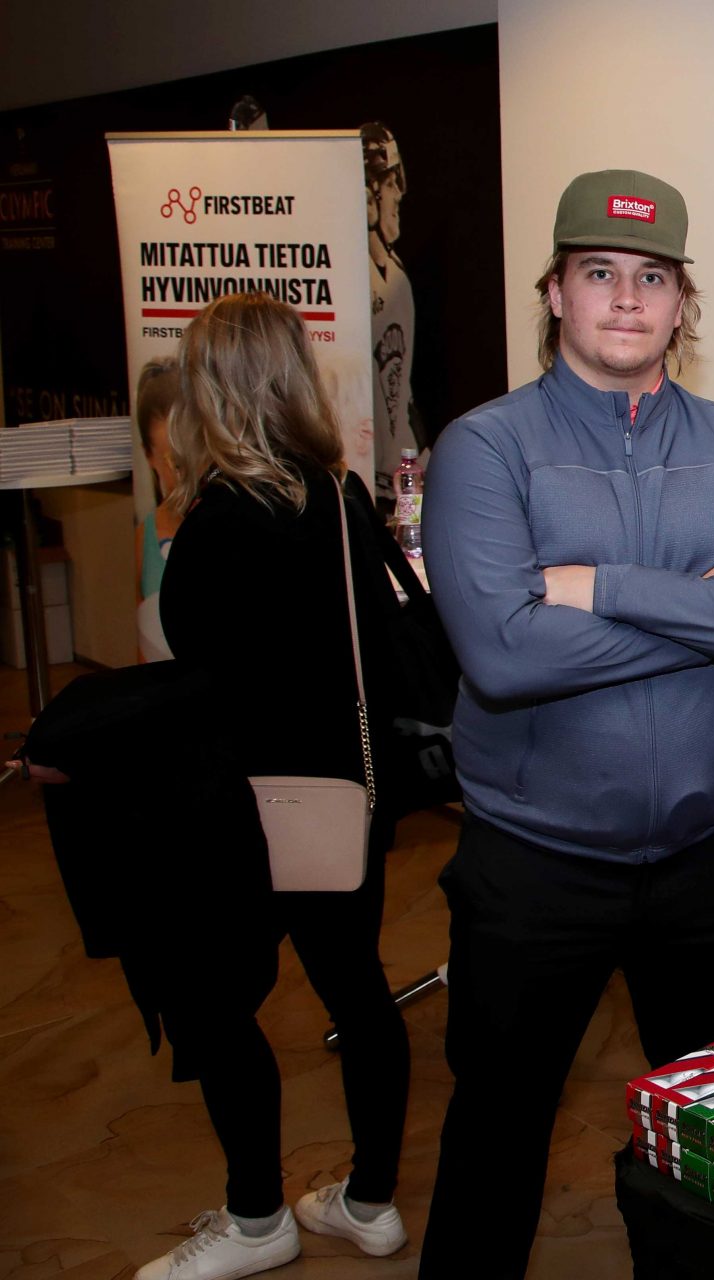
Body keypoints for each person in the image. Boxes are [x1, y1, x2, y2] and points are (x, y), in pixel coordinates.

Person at [419, 169, 714, 1278]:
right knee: (496, 1137)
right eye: (598, 271)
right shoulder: (487, 446)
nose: (625, 298)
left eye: (652, 277)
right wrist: (713, 611)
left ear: (682, 301)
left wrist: (602, 588)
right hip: (534, 866)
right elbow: (505, 655)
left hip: (703, 861)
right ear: (555, 291)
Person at [138, 292, 412, 1278]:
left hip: (240, 809)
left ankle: (258, 1218)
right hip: (346, 797)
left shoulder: (216, 518)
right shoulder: (338, 498)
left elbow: (190, 667)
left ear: (209, 390)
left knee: (211, 1007)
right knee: (359, 993)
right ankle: (370, 1201)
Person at [363, 122, 420, 498]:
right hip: (367, 480)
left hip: (397, 480)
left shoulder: (395, 276)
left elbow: (402, 391)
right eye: (390, 182)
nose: (398, 193)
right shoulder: (349, 281)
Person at [133, 357, 181, 661]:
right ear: (149, 456)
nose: (183, 472)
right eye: (171, 460)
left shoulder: (235, 523)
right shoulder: (144, 538)